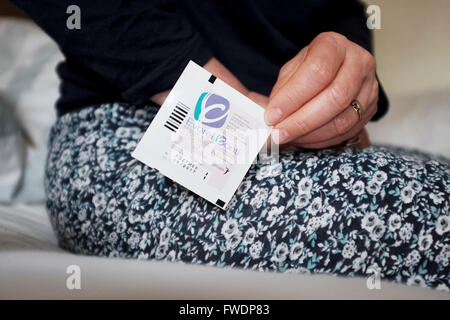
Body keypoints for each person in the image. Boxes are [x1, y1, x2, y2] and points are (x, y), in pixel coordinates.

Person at [11, 0, 449, 290]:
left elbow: (338, 9)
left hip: (286, 140)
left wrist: (346, 63)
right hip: (131, 128)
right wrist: (223, 98)